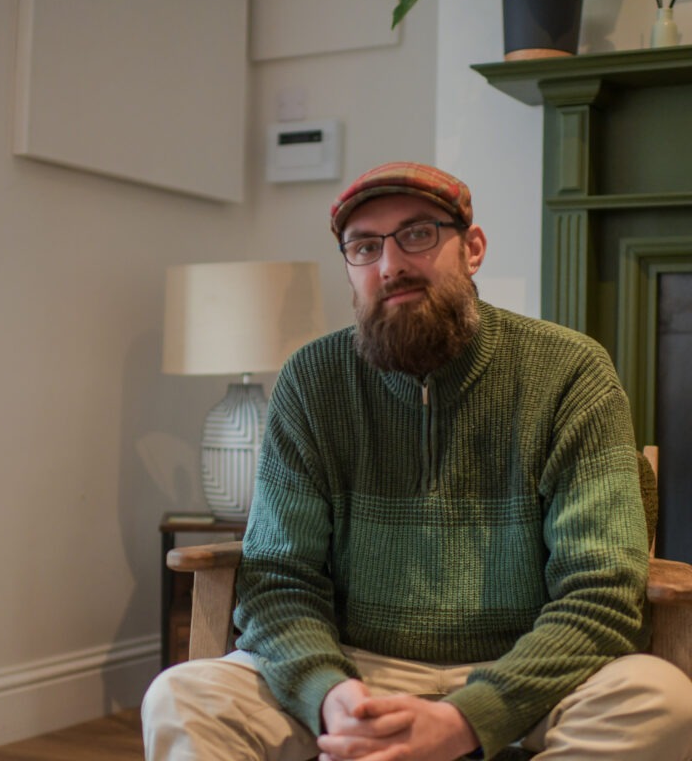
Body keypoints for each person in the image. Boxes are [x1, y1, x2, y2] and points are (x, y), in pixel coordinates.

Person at [142, 162, 692, 760]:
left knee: (660, 700)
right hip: (352, 670)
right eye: (365, 246)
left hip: (527, 672)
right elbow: (278, 580)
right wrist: (332, 696)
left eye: (418, 234)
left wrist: (465, 719)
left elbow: (601, 591)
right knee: (181, 695)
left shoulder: (570, 372)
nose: (390, 263)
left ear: (472, 249)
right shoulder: (312, 380)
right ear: (351, 270)